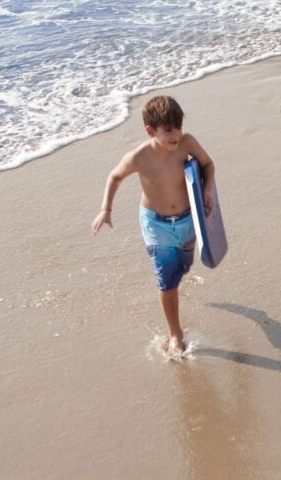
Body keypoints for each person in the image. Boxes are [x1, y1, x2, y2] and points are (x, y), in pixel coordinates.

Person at [91, 95, 215, 357]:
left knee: (183, 265)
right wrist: (106, 209)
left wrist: (207, 190)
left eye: (178, 127)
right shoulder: (139, 157)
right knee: (166, 280)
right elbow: (115, 176)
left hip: (187, 219)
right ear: (151, 130)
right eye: (169, 130)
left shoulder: (187, 143)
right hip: (156, 224)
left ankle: (177, 275)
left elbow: (207, 164)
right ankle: (175, 334)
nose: (176, 135)